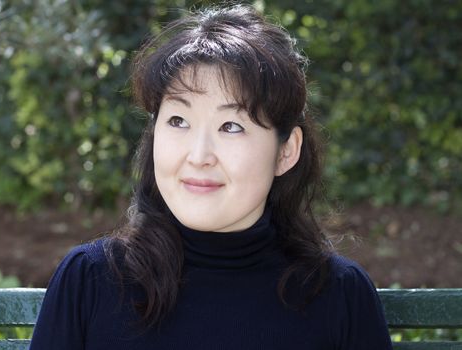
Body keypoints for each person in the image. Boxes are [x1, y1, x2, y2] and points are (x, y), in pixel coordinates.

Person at [30, 4, 393, 349]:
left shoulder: (338, 295)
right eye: (178, 121)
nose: (199, 155)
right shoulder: (91, 281)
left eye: (231, 126)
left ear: (286, 152)